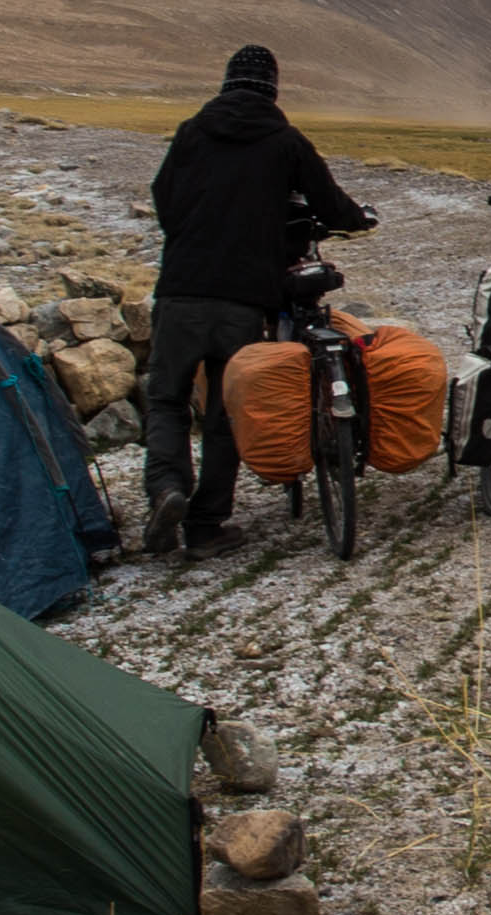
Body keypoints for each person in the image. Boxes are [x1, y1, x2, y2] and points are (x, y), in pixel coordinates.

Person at [140, 44, 371, 559]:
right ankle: (205, 525)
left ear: (226, 83)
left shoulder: (191, 133)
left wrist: (190, 239)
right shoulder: (285, 142)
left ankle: (165, 490)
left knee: (167, 400)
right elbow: (329, 202)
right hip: (243, 302)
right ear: (272, 87)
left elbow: (163, 197)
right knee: (226, 410)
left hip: (180, 290)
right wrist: (358, 220)